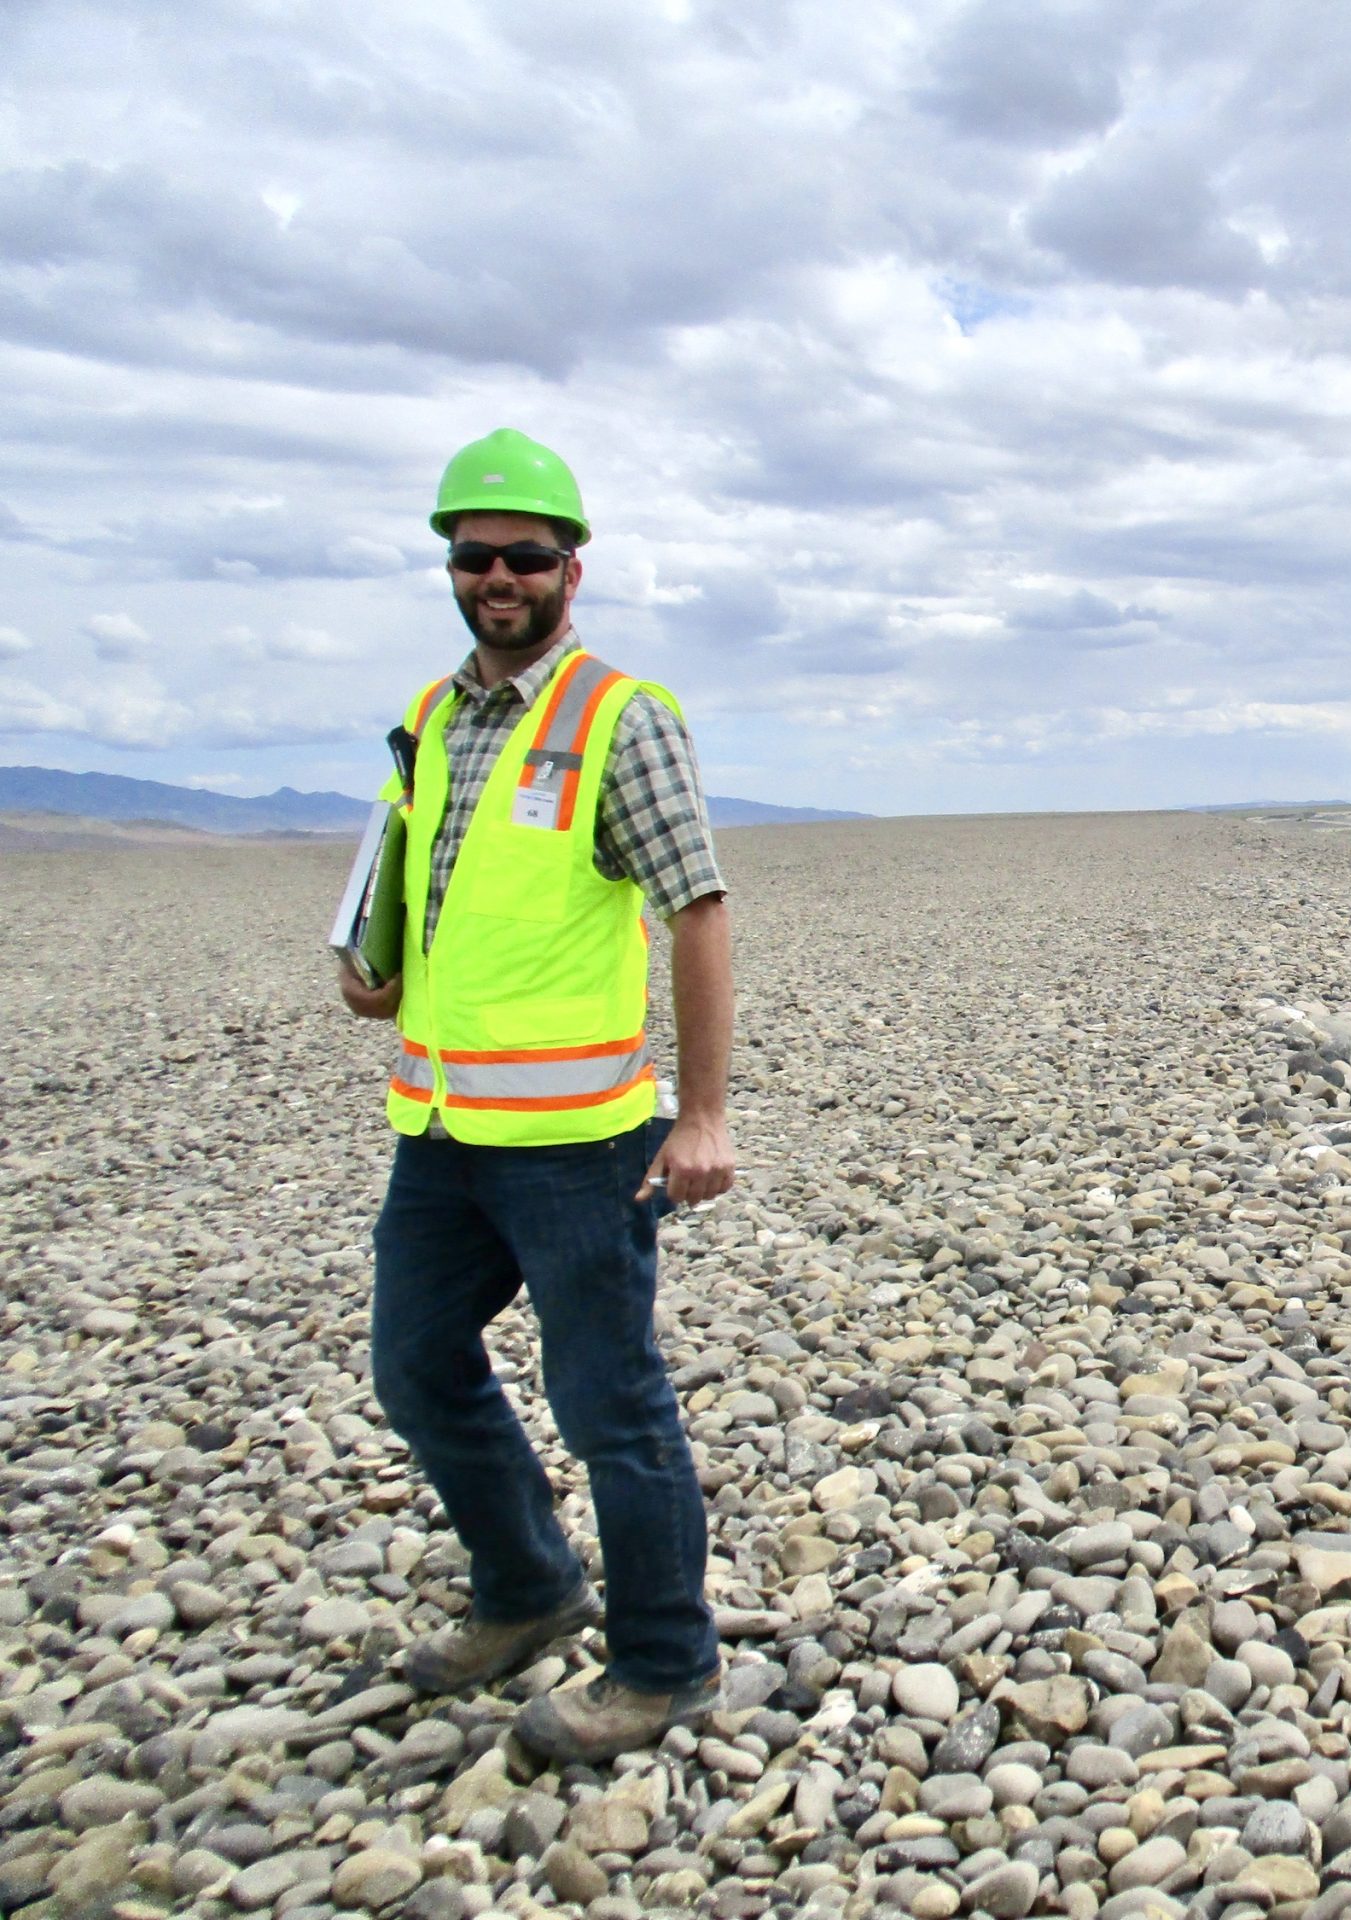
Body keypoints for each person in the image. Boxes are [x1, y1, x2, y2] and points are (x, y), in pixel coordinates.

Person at [337, 428, 735, 1763]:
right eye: (473, 555)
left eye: (524, 556)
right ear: (450, 565)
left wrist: (703, 1114)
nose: (496, 575)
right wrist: (380, 960)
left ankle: (667, 1664)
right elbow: (425, 874)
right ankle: (528, 1588)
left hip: (578, 1143)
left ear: (573, 568)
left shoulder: (621, 718)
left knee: (610, 1404)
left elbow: (699, 910)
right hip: (441, 1130)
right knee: (413, 1362)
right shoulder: (437, 713)